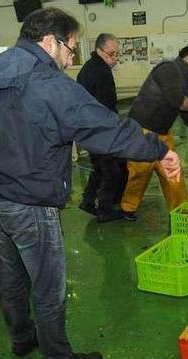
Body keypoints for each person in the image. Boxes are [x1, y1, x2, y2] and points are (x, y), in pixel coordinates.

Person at [0, 7, 181, 359]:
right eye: (70, 48)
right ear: (49, 42)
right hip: (28, 201)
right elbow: (103, 128)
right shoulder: (49, 83)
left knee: (11, 273)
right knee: (48, 284)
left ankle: (21, 338)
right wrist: (158, 149)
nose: (71, 57)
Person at [120, 45, 188, 221]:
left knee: (172, 171)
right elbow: (178, 101)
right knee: (139, 172)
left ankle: (180, 210)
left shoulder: (184, 82)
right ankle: (128, 208)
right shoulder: (167, 70)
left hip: (163, 133)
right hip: (141, 130)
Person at [76, 33, 127, 223]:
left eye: (116, 53)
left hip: (88, 128)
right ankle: (105, 210)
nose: (115, 58)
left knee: (99, 167)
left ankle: (88, 201)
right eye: (111, 54)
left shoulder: (89, 67)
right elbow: (107, 106)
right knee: (111, 170)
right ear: (99, 50)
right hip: (100, 130)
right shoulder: (100, 72)